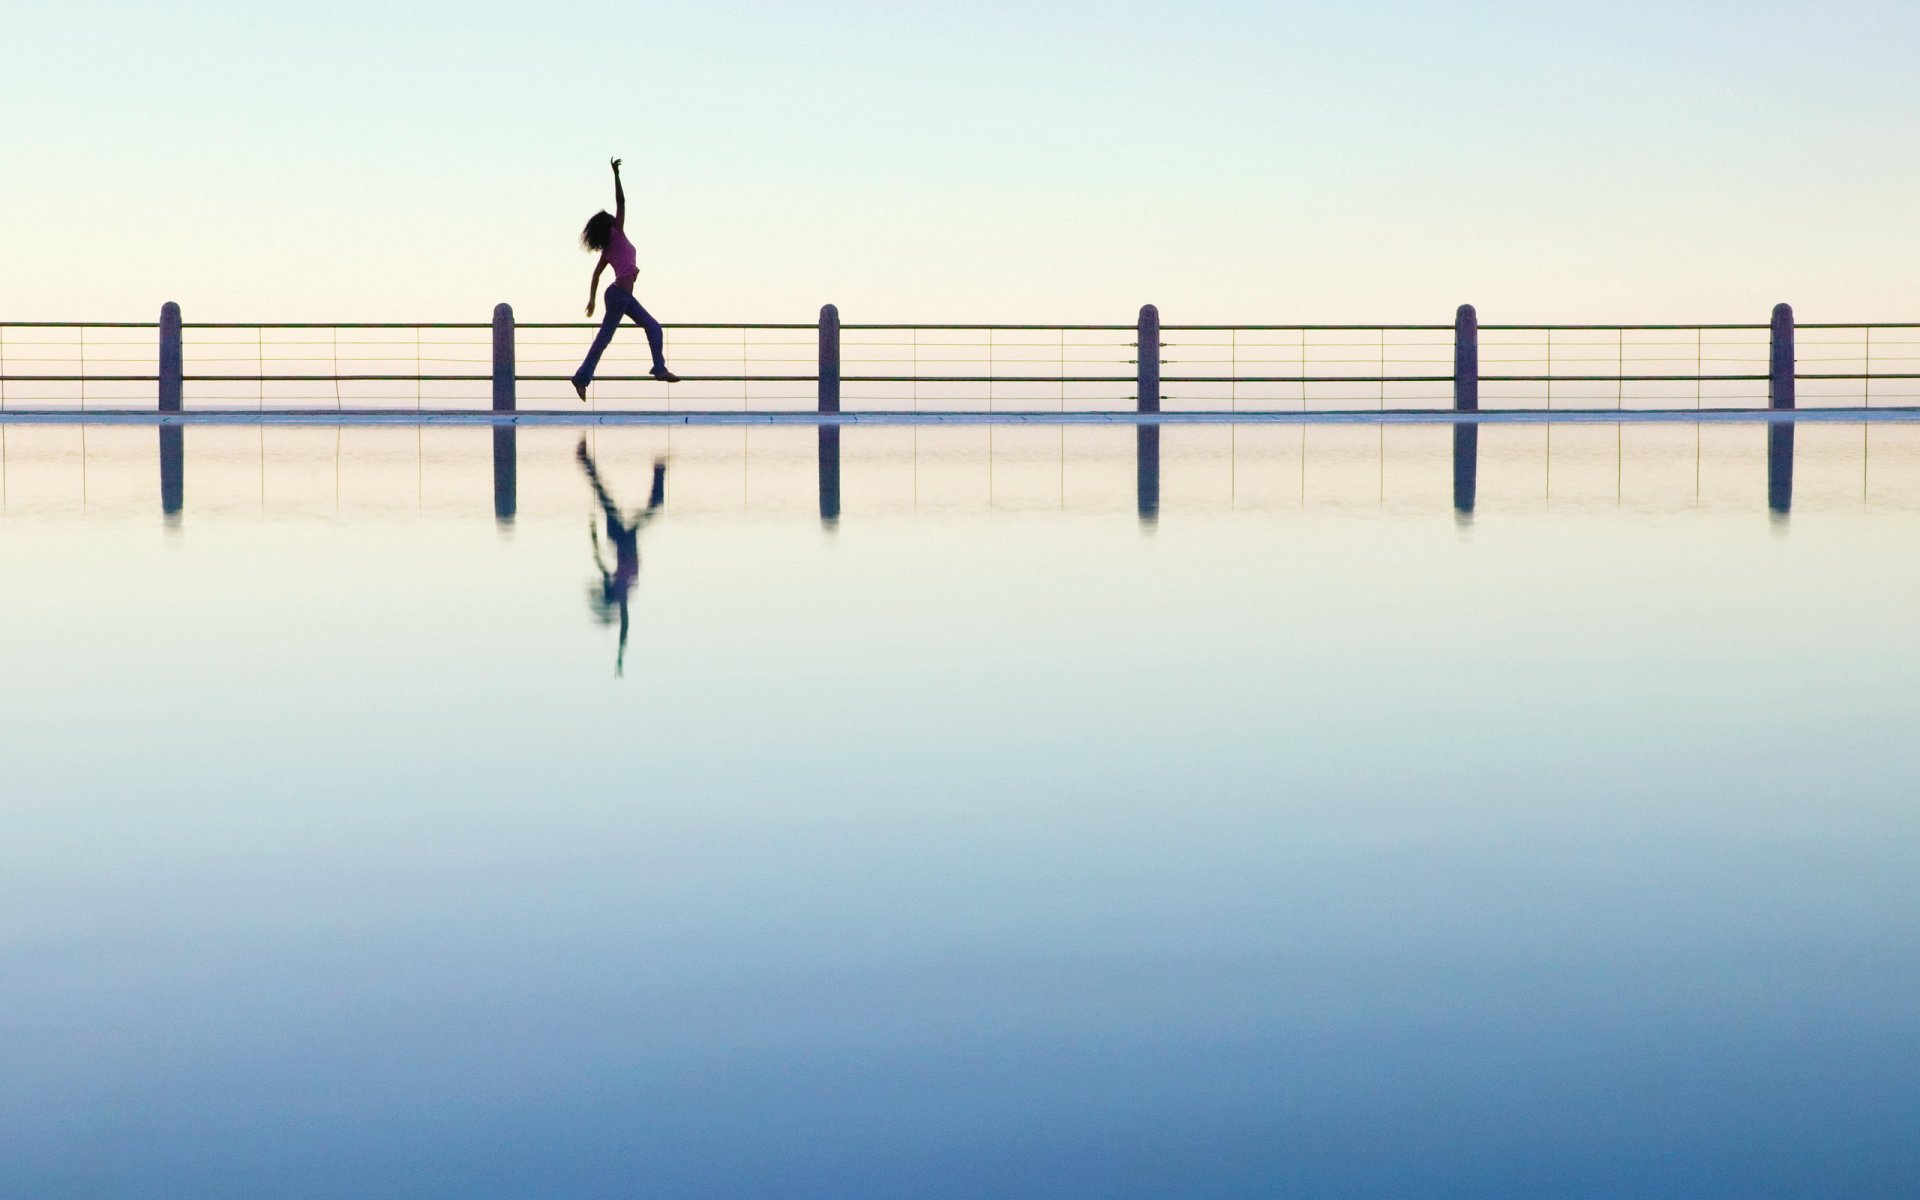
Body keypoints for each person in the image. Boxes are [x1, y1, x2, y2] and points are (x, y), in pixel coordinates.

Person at [572, 157, 680, 400]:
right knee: (605, 338)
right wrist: (616, 175)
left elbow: (596, 274)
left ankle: (659, 369)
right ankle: (581, 378)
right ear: (610, 225)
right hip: (619, 296)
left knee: (653, 327)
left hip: (622, 296)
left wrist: (593, 300)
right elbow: (621, 201)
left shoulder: (611, 246)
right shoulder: (617, 233)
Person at [577, 438, 666, 677]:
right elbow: (625, 626)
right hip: (625, 542)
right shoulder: (621, 593)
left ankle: (585, 460)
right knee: (606, 498)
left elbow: (598, 559)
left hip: (623, 541)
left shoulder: (618, 588)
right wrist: (620, 656)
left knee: (606, 498)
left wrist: (593, 535)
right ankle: (585, 461)